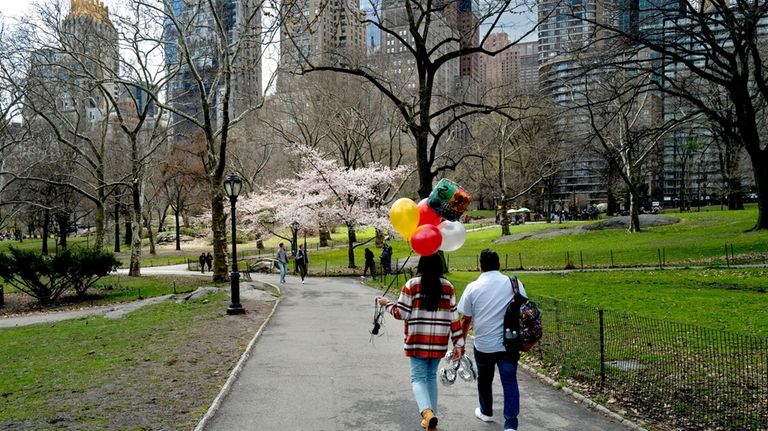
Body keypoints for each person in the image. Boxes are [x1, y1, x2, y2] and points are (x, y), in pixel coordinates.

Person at [377, 253, 464, 431]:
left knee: (417, 378)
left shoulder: (412, 285)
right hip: (439, 342)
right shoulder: (448, 287)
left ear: (421, 265)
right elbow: (454, 318)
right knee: (430, 377)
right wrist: (458, 344)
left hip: (417, 340)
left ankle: (426, 413)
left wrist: (386, 304)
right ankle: (430, 420)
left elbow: (400, 313)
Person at [457, 249, 528, 431]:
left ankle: (486, 411)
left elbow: (466, 319)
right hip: (509, 343)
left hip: (484, 343)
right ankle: (511, 423)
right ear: (499, 265)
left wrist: (461, 342)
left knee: (485, 378)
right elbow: (524, 309)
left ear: (480, 266)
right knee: (509, 379)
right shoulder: (515, 284)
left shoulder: (473, 287)